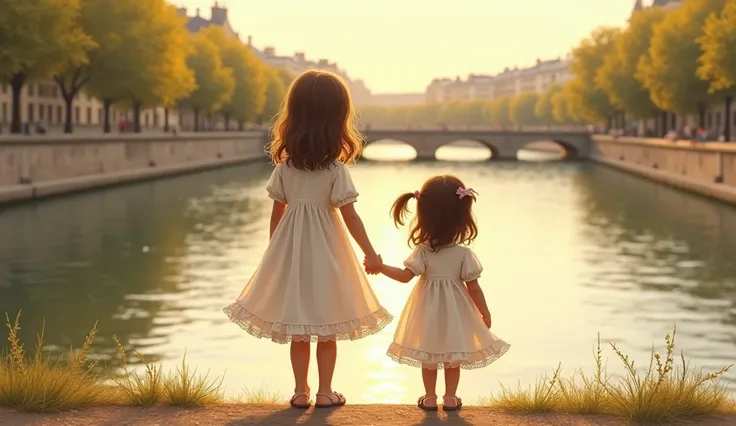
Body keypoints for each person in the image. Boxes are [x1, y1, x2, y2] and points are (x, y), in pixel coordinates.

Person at [223, 70, 392, 410]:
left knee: (299, 325)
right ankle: (325, 391)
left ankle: (300, 391)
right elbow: (351, 216)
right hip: (329, 251)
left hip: (293, 251)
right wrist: (371, 254)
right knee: (327, 324)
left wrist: (275, 252)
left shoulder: (285, 168)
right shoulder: (335, 171)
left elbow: (277, 214)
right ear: (338, 120)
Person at [365, 176, 510, 411]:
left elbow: (404, 277)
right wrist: (484, 312)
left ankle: (430, 397)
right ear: (463, 219)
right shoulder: (463, 254)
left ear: (424, 217)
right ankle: (451, 398)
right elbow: (474, 287)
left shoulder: (423, 252)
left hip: (427, 310)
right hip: (456, 311)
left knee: (429, 354)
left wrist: (380, 267)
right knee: (453, 354)